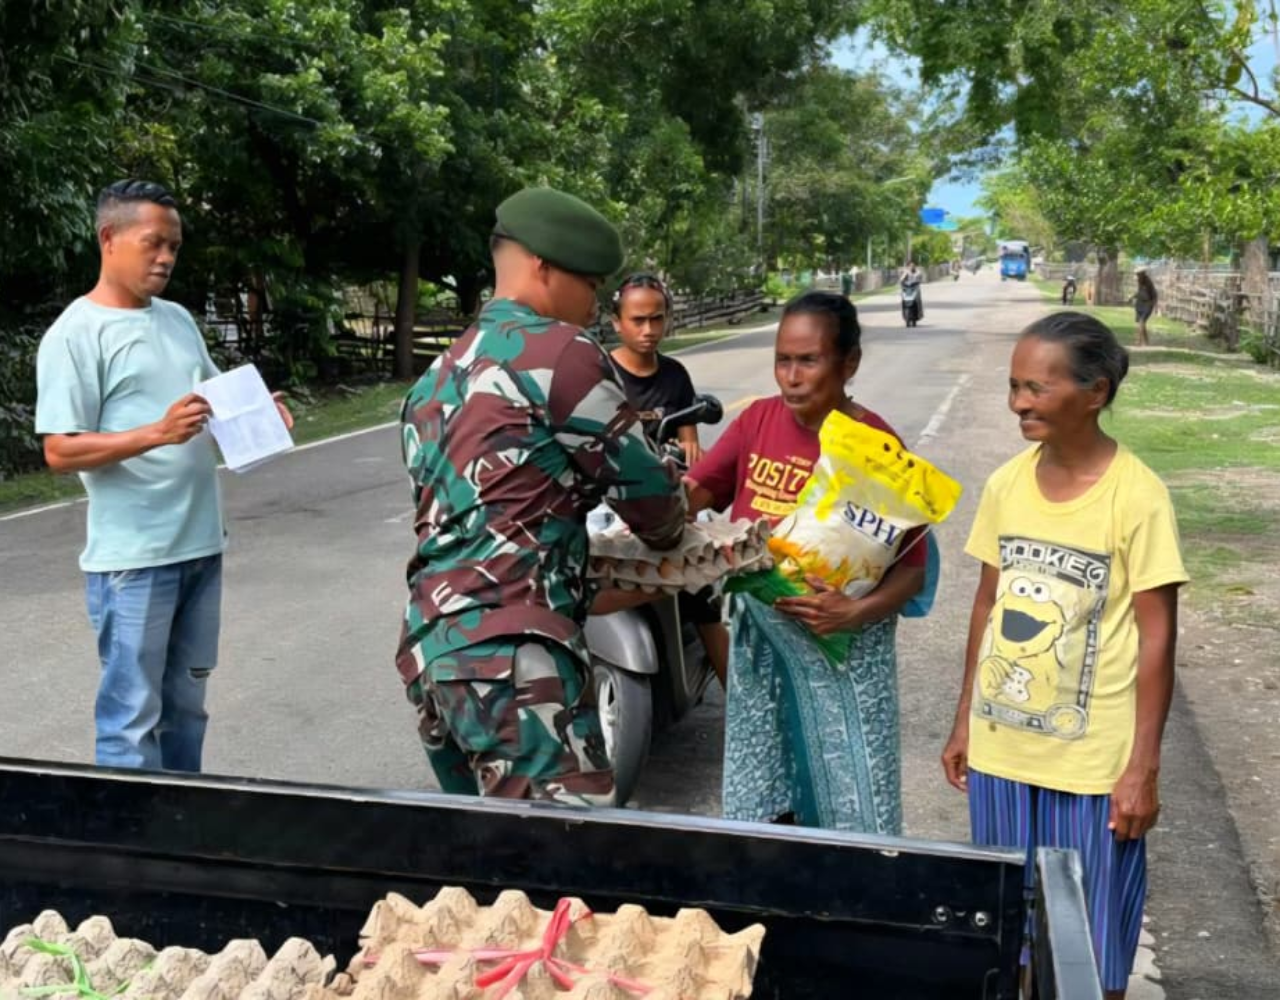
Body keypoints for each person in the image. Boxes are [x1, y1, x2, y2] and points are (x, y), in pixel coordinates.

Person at [397, 187, 687, 806]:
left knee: (496, 870)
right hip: (513, 659)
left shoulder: (438, 374)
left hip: (434, 655)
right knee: (566, 868)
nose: (593, 305)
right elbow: (653, 505)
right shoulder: (562, 354)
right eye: (589, 284)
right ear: (543, 268)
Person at [941, 311, 1187, 998]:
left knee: (1093, 949)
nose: (1020, 402)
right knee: (1007, 937)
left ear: (1096, 392)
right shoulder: (1006, 485)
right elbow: (986, 608)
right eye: (1014, 386)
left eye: (1038, 389)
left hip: (1091, 767)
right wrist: (965, 719)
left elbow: (1159, 636)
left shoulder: (1138, 498)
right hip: (1002, 756)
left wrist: (1142, 766)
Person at [34, 179, 292, 773]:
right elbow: (59, 449)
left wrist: (261, 412)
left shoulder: (177, 320)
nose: (166, 257)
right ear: (108, 238)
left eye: (174, 246)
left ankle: (182, 831)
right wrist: (155, 432)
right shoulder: (76, 335)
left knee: (187, 708)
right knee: (131, 717)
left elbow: (208, 406)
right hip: (133, 560)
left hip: (201, 546)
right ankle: (128, 850)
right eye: (154, 243)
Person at [686, 291, 927, 833]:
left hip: (842, 653)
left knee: (851, 798)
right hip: (763, 653)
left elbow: (913, 571)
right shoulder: (758, 422)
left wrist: (852, 614)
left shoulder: (874, 445)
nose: (791, 376)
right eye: (782, 360)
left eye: (808, 360)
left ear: (849, 364)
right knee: (765, 800)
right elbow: (697, 494)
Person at [606, 272, 729, 687]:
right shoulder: (598, 372)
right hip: (602, 500)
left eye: (657, 319)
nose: (648, 330)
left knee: (701, 583)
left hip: (659, 498)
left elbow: (689, 441)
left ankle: (745, 710)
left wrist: (690, 456)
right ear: (616, 322)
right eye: (638, 320)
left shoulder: (674, 375)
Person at [1133, 269, 1157, 347]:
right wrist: (1133, 297)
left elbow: (1154, 295)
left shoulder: (1149, 283)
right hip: (1139, 304)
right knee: (1141, 323)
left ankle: (1138, 341)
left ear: (1143, 274)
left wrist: (1152, 304)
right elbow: (1140, 292)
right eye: (1137, 275)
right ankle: (1146, 342)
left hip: (1147, 304)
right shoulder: (1140, 282)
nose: (1137, 276)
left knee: (1142, 321)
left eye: (1138, 274)